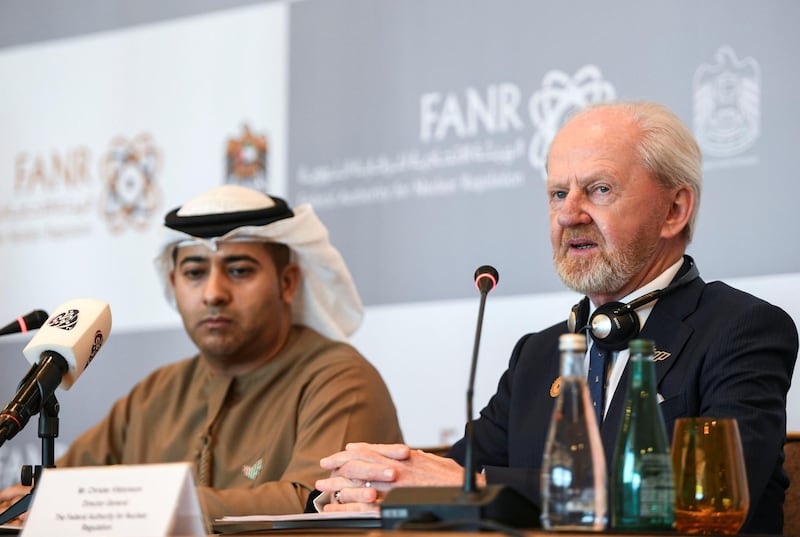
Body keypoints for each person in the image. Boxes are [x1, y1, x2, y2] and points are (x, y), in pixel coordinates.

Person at [313, 101, 799, 534]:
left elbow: (697, 494)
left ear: (675, 210)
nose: (569, 215)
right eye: (557, 194)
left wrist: (482, 484)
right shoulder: (539, 353)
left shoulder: (741, 329)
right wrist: (378, 481)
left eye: (600, 190)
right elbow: (453, 475)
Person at [0, 184, 403, 521]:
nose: (213, 293)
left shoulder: (340, 380)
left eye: (239, 270)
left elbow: (311, 505)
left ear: (287, 282)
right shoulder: (157, 393)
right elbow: (56, 489)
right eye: (195, 272)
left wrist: (126, 504)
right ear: (174, 282)